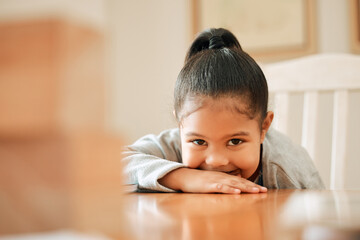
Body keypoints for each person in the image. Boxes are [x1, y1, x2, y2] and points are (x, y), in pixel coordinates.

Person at [122, 28, 325, 194]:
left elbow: (319, 220)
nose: (216, 161)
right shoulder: (174, 145)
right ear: (180, 126)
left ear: (264, 128)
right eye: (199, 142)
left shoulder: (284, 172)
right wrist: (184, 177)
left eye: (235, 141)